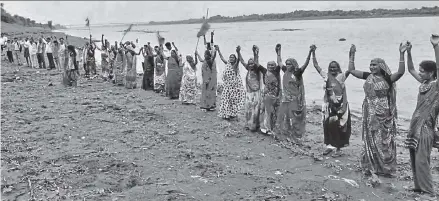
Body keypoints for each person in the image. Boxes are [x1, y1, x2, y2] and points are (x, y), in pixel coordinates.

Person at [349, 43, 407, 178]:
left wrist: (402, 54)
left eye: (374, 64)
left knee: (383, 139)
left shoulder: (388, 78)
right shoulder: (368, 76)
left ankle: (386, 168)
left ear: (381, 66)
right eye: (371, 64)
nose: (372, 67)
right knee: (370, 138)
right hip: (369, 110)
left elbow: (401, 72)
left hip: (382, 113)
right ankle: (372, 165)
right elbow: (352, 71)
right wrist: (352, 55)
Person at [404, 35, 439, 197]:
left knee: (422, 159)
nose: (420, 73)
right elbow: (410, 70)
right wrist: (408, 53)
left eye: (423, 71)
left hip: (426, 126)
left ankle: (428, 190)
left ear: (432, 73)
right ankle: (419, 187)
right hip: (415, 124)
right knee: (414, 157)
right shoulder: (424, 84)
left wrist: (436, 47)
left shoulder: (436, 87)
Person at [311, 45, 353, 157]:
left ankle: (338, 148)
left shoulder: (342, 77)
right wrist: (313, 52)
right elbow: (316, 65)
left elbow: (350, 69)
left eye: (335, 67)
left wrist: (351, 55)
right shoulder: (326, 76)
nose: (333, 69)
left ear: (338, 68)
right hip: (328, 105)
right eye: (331, 67)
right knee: (327, 125)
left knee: (340, 126)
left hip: (340, 105)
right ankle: (329, 146)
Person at [273, 44, 312, 144]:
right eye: (287, 64)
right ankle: (284, 133)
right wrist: (278, 52)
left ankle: (297, 135)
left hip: (295, 100)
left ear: (294, 64)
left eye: (289, 64)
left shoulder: (297, 72)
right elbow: (279, 62)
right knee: (283, 116)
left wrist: (310, 53)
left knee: (294, 118)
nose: (288, 65)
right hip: (285, 98)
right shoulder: (285, 70)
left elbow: (306, 64)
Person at [237, 45, 266, 132]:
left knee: (255, 109)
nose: (250, 65)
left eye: (252, 63)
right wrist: (238, 52)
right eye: (249, 63)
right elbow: (242, 61)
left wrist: (255, 53)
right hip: (249, 92)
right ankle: (249, 124)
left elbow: (256, 61)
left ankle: (254, 125)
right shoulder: (248, 69)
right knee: (249, 109)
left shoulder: (257, 69)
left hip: (256, 92)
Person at [217, 45, 246, 120]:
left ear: (235, 59)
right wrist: (218, 50)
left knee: (233, 100)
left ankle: (232, 114)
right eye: (230, 57)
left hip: (234, 87)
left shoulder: (235, 65)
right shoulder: (228, 64)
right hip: (227, 86)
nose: (231, 58)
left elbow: (239, 59)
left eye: (233, 57)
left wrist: (238, 52)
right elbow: (222, 58)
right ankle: (226, 114)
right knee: (225, 99)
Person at [196, 45, 218, 112]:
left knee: (210, 92)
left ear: (209, 55)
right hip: (205, 79)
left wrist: (216, 51)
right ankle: (205, 105)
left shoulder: (210, 61)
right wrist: (197, 54)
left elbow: (213, 57)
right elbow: (200, 60)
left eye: (205, 54)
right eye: (204, 54)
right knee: (205, 92)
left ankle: (210, 105)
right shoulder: (205, 60)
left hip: (210, 79)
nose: (205, 56)